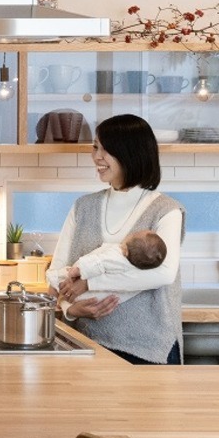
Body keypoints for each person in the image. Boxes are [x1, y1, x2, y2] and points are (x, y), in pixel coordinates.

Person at [45, 114, 185, 365]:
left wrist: (90, 283)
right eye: (95, 147)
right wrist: (70, 309)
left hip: (148, 350)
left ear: (131, 153)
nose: (97, 157)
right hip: (87, 344)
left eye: (106, 150)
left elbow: (163, 274)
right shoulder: (83, 207)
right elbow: (57, 272)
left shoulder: (166, 210)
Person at [58, 229, 167, 308]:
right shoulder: (137, 268)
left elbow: (99, 263)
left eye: (134, 234)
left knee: (57, 277)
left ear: (125, 251)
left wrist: (78, 270)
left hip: (81, 294)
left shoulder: (117, 257)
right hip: (97, 301)